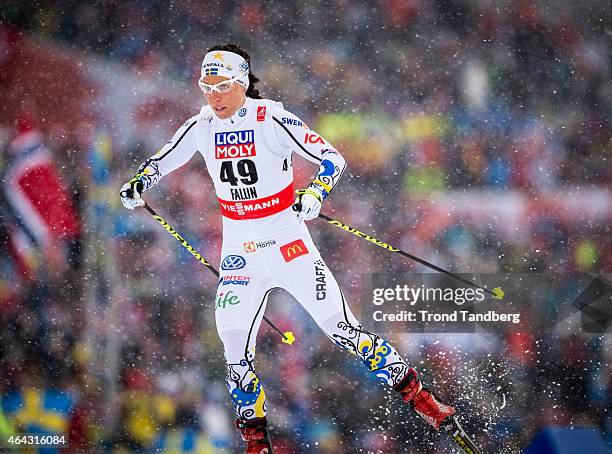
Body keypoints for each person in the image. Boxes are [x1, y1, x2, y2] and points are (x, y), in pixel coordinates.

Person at [120, 44, 461, 454]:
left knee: (344, 331)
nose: (213, 95)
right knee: (233, 348)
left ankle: (423, 400)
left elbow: (331, 159)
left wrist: (315, 194)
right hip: (240, 253)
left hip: (288, 243)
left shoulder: (270, 118)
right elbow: (161, 160)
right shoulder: (201, 125)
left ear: (242, 84)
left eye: (222, 86)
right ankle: (256, 443)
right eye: (206, 86)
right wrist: (137, 183)